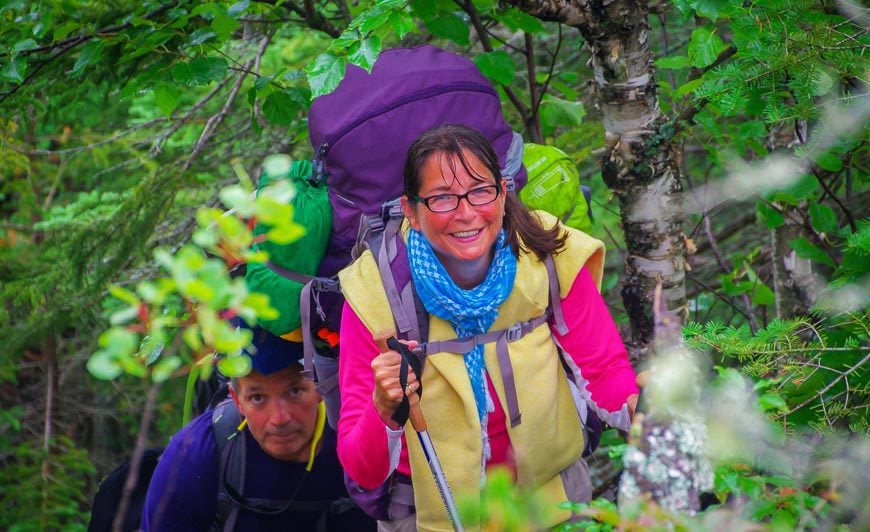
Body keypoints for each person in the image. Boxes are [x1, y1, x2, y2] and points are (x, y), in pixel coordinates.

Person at [336, 124, 639, 530]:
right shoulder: (376, 292)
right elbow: (363, 469)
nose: (466, 213)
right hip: (433, 518)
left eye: (480, 191)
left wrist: (646, 412)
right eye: (442, 198)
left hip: (555, 505)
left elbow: (604, 373)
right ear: (411, 209)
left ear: (503, 190)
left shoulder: (546, 254)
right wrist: (385, 408)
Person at [141, 324, 376, 531]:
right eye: (257, 398)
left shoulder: (363, 432)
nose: (279, 418)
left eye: (294, 391)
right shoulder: (194, 454)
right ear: (237, 399)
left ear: (320, 387)